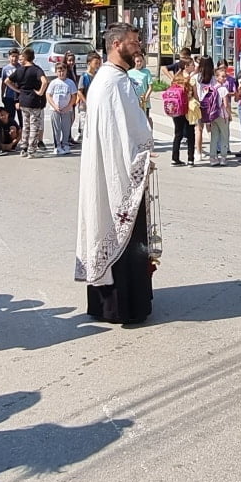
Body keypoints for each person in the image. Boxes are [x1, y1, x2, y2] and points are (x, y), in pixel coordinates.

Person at [75, 23, 158, 325]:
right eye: (134, 42)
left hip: (110, 167)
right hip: (119, 174)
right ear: (116, 44)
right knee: (126, 236)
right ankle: (126, 307)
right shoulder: (114, 82)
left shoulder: (106, 79)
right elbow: (125, 133)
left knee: (110, 228)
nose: (138, 47)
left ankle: (105, 304)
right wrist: (142, 156)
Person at [6, 47, 47, 157]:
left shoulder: (19, 70)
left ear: (25, 57)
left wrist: (18, 90)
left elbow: (7, 81)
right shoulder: (36, 69)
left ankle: (23, 148)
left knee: (26, 125)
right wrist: (40, 92)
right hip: (34, 101)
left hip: (23, 100)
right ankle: (32, 150)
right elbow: (44, 81)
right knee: (34, 126)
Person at [163, 66, 195, 167]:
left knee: (178, 134)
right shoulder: (188, 83)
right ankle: (190, 159)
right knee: (190, 135)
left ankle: (175, 158)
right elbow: (193, 96)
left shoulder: (174, 83)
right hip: (187, 110)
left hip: (175, 111)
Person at [47, 60, 79, 156]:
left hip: (67, 109)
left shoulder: (70, 83)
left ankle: (65, 145)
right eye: (59, 71)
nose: (61, 73)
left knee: (66, 128)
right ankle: (57, 146)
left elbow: (74, 96)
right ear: (56, 72)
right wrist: (54, 106)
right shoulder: (53, 83)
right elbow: (48, 95)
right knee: (56, 128)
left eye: (63, 71)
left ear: (66, 71)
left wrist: (69, 106)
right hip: (55, 109)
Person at [205, 61, 234, 166]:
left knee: (214, 137)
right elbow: (226, 104)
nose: (224, 78)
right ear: (217, 77)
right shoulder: (223, 89)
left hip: (213, 115)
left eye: (225, 76)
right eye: (222, 77)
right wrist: (230, 114)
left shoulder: (211, 89)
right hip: (222, 115)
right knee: (224, 137)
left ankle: (212, 158)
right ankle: (223, 158)